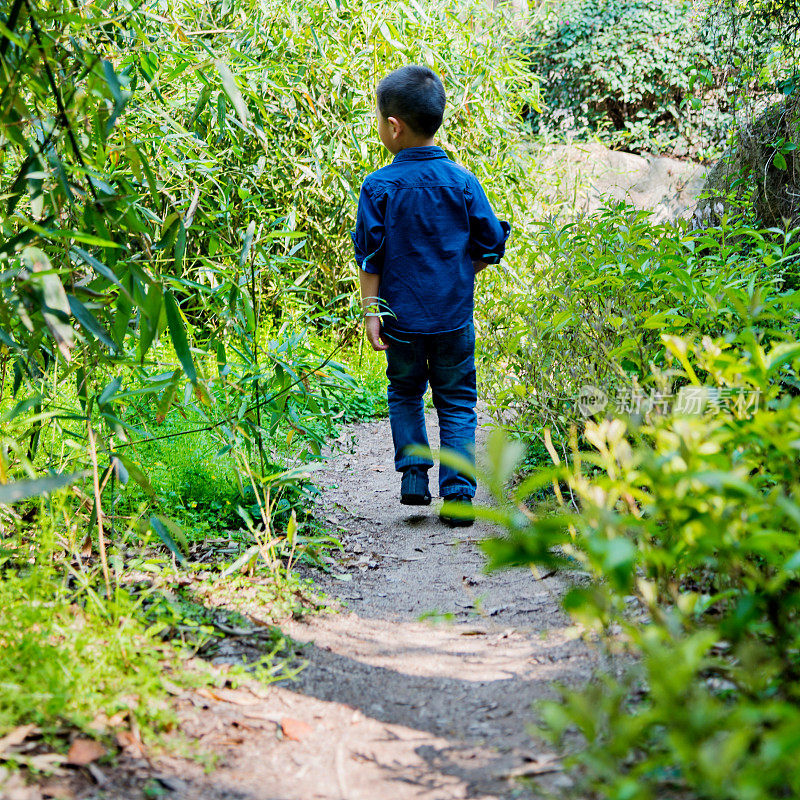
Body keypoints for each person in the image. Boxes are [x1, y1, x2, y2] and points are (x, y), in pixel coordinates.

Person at [351, 64, 510, 527]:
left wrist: (370, 314)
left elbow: (370, 258)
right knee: (457, 400)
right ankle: (458, 495)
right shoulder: (462, 182)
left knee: (404, 391)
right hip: (453, 316)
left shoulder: (378, 187)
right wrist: (460, 270)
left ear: (394, 126)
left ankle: (415, 478)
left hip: (399, 318)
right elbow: (490, 243)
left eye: (379, 119)